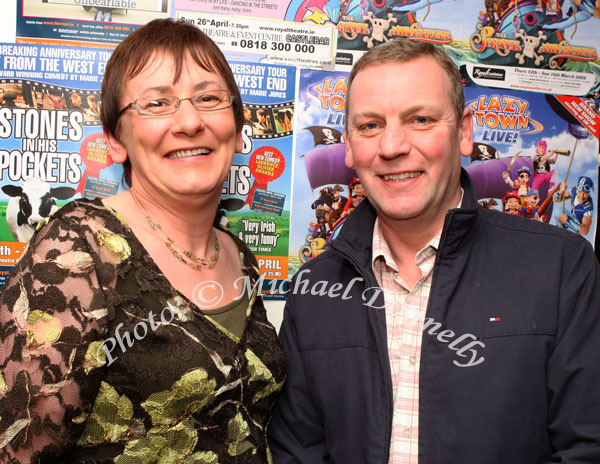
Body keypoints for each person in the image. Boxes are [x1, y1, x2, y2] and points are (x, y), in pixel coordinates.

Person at [268, 39, 600, 463]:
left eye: (420, 119)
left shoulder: (561, 269)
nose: (392, 147)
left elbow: (588, 447)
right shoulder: (313, 290)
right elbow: (297, 451)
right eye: (369, 125)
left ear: (464, 132)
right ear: (349, 145)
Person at [0, 19, 286, 462]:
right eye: (157, 103)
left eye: (208, 98)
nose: (190, 121)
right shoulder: (79, 249)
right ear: (116, 140)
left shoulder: (239, 256)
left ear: (235, 125)